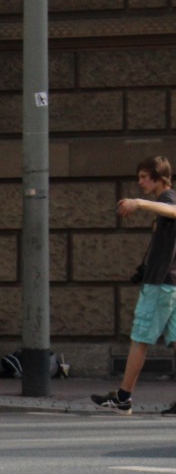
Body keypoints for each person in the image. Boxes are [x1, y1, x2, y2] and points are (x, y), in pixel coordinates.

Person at [91, 155, 176, 415]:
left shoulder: (167, 198)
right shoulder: (164, 201)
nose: (139, 182)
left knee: (140, 339)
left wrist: (139, 203)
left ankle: (123, 398)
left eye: (143, 177)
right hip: (169, 282)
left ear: (159, 178)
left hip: (161, 284)